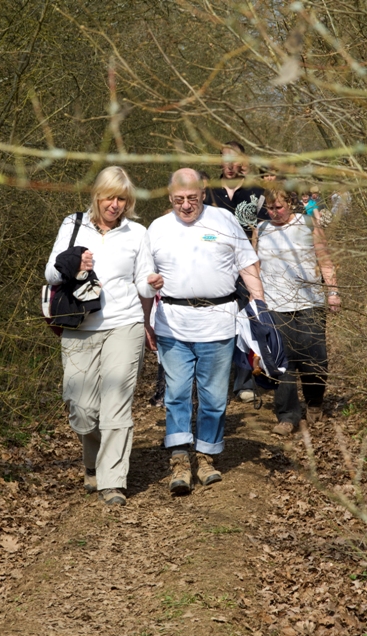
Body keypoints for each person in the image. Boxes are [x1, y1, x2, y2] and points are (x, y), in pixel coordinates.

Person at [45, 166, 163, 506]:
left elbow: (141, 281)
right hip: (79, 325)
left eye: (122, 199)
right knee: (82, 408)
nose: (115, 205)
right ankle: (93, 462)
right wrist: (72, 262)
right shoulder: (73, 224)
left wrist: (151, 283)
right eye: (110, 197)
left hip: (124, 324)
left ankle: (112, 481)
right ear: (97, 196)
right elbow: (50, 273)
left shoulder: (137, 233)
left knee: (116, 405)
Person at [143, 168, 265, 495]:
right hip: (172, 322)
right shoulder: (156, 229)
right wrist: (146, 322)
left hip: (218, 321)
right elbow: (143, 281)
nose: (186, 205)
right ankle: (180, 460)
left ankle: (207, 455)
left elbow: (248, 266)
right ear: (170, 198)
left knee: (212, 398)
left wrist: (261, 309)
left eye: (192, 198)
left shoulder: (224, 221)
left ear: (203, 194)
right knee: (177, 394)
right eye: (179, 199)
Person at [252, 188, 341, 436]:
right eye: (269, 208)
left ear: (290, 204)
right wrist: (255, 301)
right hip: (275, 305)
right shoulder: (262, 229)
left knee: (315, 360)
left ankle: (314, 402)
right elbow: (254, 267)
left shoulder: (307, 224)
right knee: (283, 363)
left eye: (278, 207)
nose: (274, 213)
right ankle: (287, 415)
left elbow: (324, 259)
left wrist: (333, 292)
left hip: (309, 302)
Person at [204, 141, 269, 403]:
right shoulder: (208, 191)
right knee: (217, 323)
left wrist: (256, 268)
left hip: (246, 265)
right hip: (212, 265)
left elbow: (262, 231)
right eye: (225, 160)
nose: (229, 166)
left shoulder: (257, 191)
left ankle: (244, 382)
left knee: (246, 322)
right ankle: (213, 380)